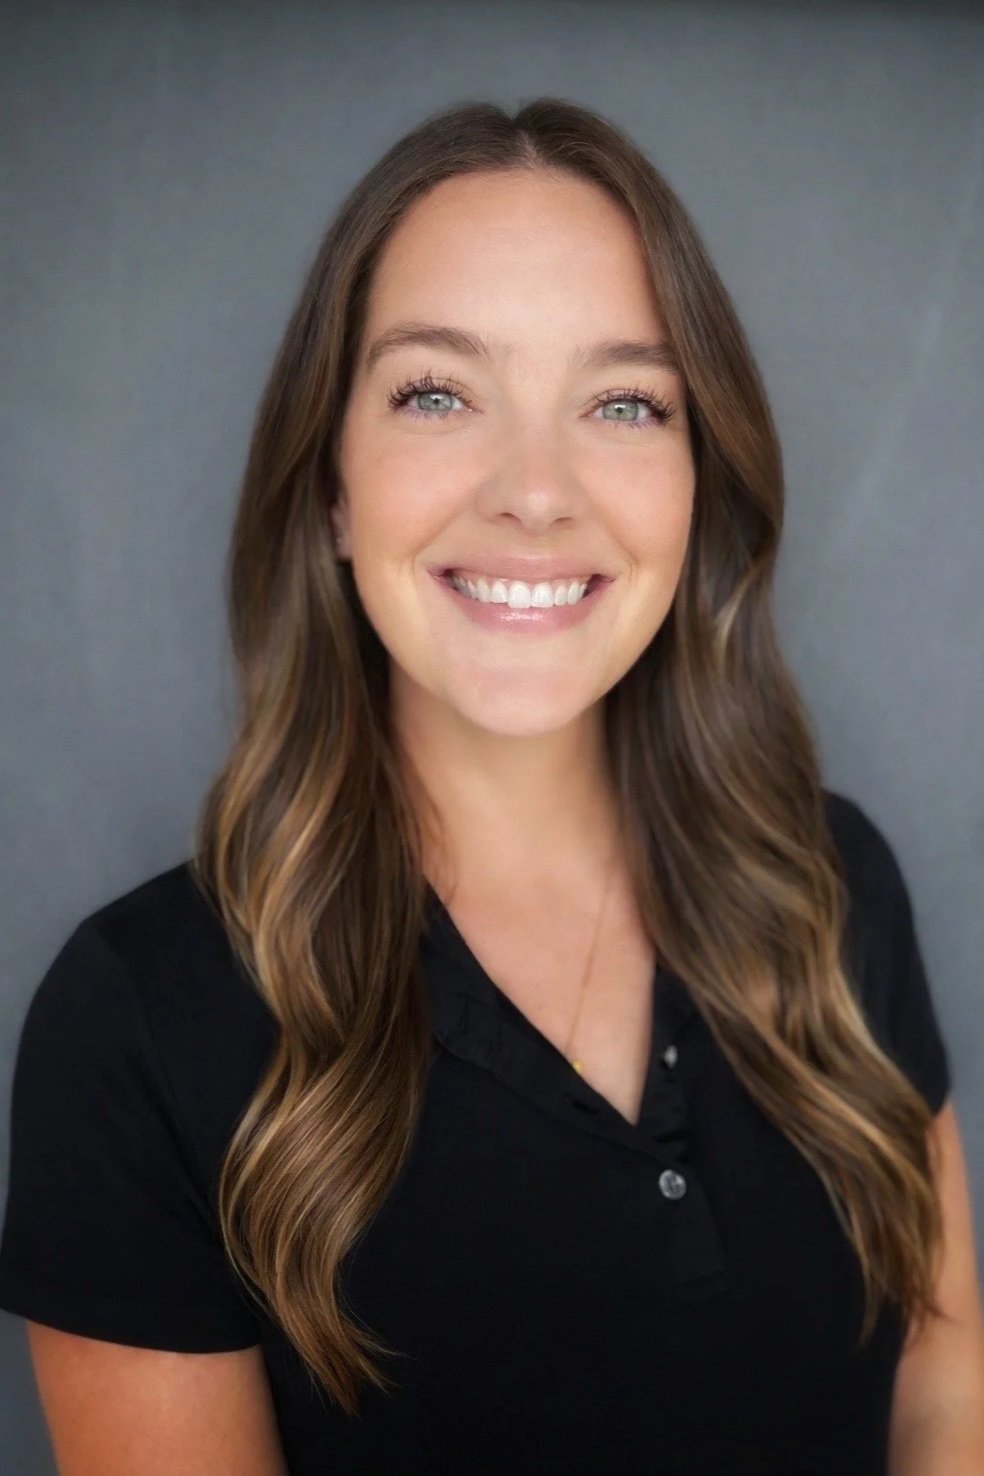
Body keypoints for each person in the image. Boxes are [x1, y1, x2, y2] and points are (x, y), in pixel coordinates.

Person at [1, 96, 982, 1476]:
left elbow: (944, 1382)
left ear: (699, 481)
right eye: (439, 393)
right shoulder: (140, 1024)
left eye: (624, 403)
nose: (537, 491)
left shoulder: (829, 887)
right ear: (331, 486)